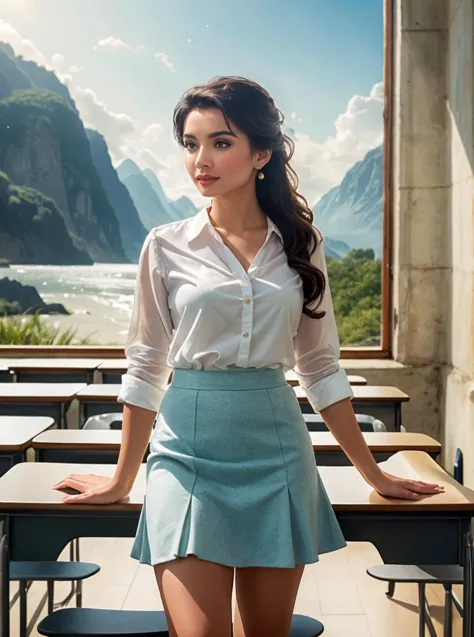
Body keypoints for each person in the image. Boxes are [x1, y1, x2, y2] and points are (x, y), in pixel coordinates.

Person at [53, 76, 445, 637]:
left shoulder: (302, 246)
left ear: (261, 153)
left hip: (276, 449)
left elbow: (320, 367)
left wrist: (373, 471)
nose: (201, 160)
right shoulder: (163, 245)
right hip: (185, 453)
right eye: (191, 144)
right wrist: (122, 479)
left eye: (220, 142)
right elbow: (146, 365)